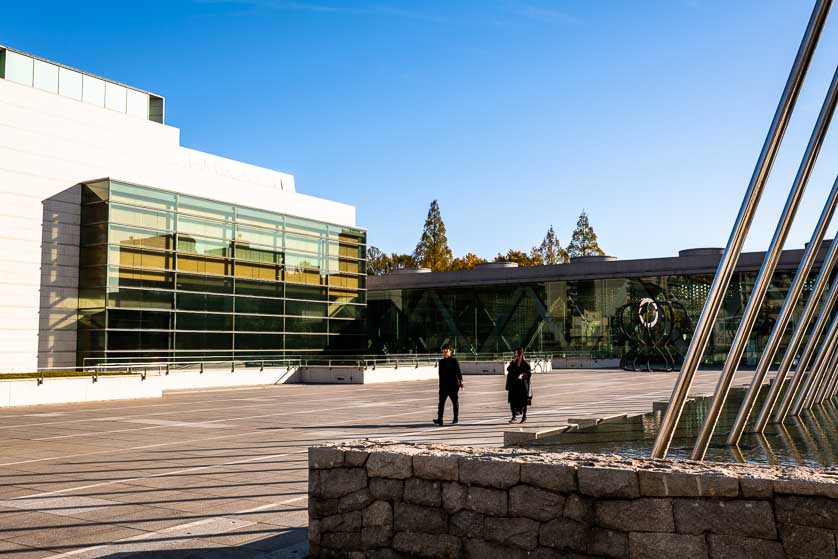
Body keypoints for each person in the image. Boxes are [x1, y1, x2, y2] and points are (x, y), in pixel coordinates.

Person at [433, 343, 464, 425]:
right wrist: (440, 386)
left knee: (455, 402)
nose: (445, 353)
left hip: (453, 386)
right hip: (443, 386)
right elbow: (440, 375)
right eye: (443, 351)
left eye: (446, 351)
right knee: (441, 403)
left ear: (450, 351)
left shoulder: (454, 361)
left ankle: (455, 418)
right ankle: (440, 419)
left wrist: (461, 382)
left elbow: (458, 372)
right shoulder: (441, 362)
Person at [505, 347, 531, 423]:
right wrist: (513, 361)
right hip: (513, 386)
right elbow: (508, 369)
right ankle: (514, 417)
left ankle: (524, 416)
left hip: (522, 386)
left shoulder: (525, 363)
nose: (515, 354)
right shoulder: (513, 362)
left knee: (523, 402)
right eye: (514, 353)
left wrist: (523, 376)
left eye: (516, 353)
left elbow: (529, 373)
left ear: (520, 353)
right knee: (512, 401)